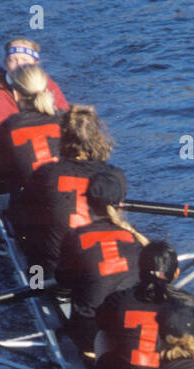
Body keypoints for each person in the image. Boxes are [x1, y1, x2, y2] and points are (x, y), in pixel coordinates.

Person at [95, 241, 194, 369]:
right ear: (176, 273)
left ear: (140, 270)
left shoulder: (117, 300)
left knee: (102, 334)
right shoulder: (192, 305)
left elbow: (99, 322)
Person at [16, 105, 120, 276]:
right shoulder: (115, 176)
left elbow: (24, 215)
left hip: (54, 269)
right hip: (99, 267)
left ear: (62, 138)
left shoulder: (45, 172)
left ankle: (36, 285)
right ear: (99, 138)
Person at [54, 169, 146, 356]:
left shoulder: (74, 237)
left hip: (91, 335)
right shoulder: (135, 238)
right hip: (131, 331)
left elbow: (63, 282)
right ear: (120, 205)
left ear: (87, 202)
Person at [0, 38, 68, 169]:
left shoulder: (50, 87)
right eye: (14, 59)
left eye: (25, 60)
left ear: (35, 64)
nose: (19, 65)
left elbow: (68, 128)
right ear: (6, 64)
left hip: (49, 160)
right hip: (9, 164)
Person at [0, 64, 61, 200]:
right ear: (46, 89)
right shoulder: (67, 119)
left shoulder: (9, 126)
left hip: (31, 209)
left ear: (15, 95)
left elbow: (0, 184)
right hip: (70, 200)